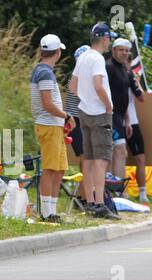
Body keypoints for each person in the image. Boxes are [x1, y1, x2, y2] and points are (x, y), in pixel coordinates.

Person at [69, 22, 120, 220]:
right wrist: (108, 105)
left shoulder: (82, 57)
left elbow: (73, 86)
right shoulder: (98, 59)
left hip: (85, 113)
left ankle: (90, 202)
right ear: (105, 38)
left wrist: (86, 98)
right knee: (101, 160)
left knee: (88, 160)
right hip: (100, 113)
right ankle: (100, 204)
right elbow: (99, 85)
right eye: (109, 39)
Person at [30, 34, 75, 222]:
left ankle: (52, 211)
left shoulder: (41, 70)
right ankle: (47, 213)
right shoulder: (45, 73)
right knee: (50, 169)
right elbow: (47, 104)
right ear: (57, 53)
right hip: (48, 125)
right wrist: (67, 116)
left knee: (59, 168)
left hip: (53, 125)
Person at [106, 38, 144, 193]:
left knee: (120, 152)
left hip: (120, 116)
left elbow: (133, 97)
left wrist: (127, 121)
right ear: (113, 50)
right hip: (109, 114)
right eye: (121, 50)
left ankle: (117, 191)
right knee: (118, 151)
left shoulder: (125, 71)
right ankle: (116, 191)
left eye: (127, 51)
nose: (124, 53)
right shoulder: (108, 67)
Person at [65, 45, 90, 205]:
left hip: (81, 120)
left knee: (86, 161)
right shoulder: (77, 78)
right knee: (86, 159)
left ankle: (83, 196)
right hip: (76, 120)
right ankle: (84, 197)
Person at [124, 54, 150, 204]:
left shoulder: (130, 77)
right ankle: (120, 192)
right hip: (119, 121)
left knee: (140, 158)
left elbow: (141, 97)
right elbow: (141, 96)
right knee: (117, 157)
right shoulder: (115, 74)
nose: (128, 66)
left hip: (132, 121)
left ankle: (142, 193)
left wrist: (137, 81)